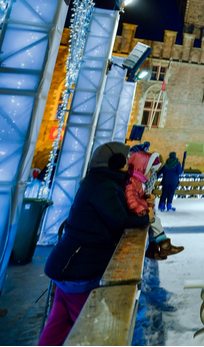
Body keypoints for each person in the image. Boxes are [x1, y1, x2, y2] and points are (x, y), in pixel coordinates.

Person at [40, 143, 150, 346]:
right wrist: (145, 219)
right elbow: (120, 220)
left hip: (69, 266)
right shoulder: (103, 186)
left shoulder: (101, 181)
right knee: (91, 333)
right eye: (126, 160)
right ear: (116, 163)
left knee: (58, 327)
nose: (129, 164)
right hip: (79, 269)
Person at [124, 150, 184, 260]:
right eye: (150, 171)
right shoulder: (133, 182)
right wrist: (143, 210)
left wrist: (146, 199)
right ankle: (164, 245)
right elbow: (131, 199)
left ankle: (154, 249)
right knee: (154, 221)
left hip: (165, 183)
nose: (151, 174)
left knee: (153, 222)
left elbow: (137, 197)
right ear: (141, 167)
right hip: (135, 213)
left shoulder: (137, 181)